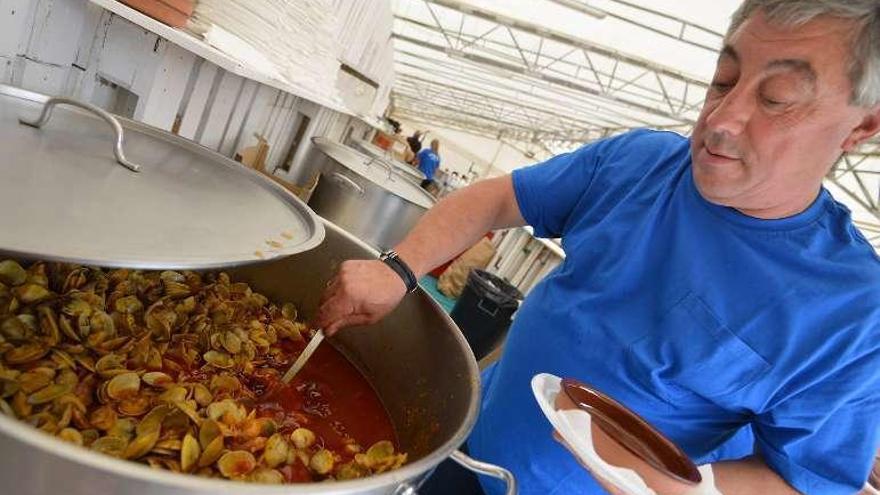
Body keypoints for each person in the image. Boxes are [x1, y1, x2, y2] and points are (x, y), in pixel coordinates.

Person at [316, 1, 880, 494]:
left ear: (861, 126)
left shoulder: (850, 310)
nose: (723, 120)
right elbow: (494, 200)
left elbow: (806, 481)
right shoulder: (641, 162)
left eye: (778, 98)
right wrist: (400, 267)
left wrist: (690, 491)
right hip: (463, 440)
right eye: (724, 78)